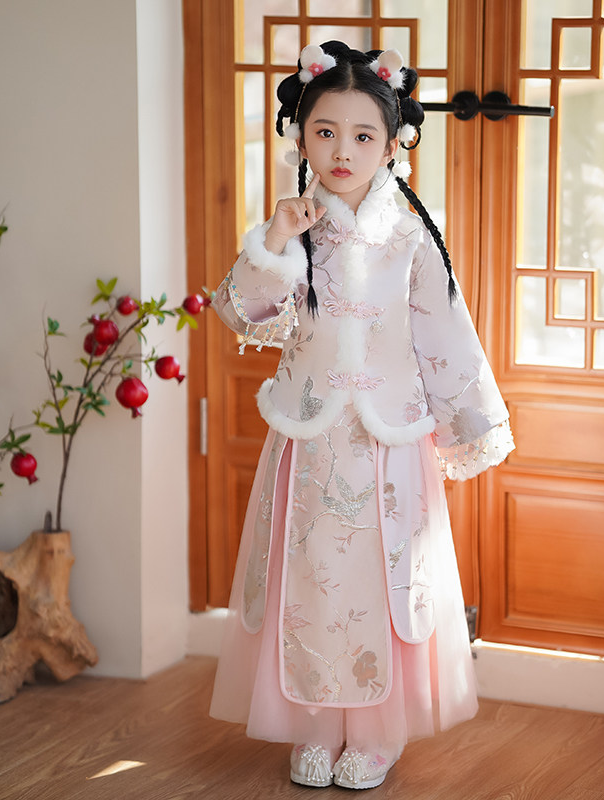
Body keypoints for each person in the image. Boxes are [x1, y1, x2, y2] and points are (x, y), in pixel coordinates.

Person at [208, 40, 514, 791]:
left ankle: (375, 734)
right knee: (309, 579)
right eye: (325, 131)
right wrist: (275, 239)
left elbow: (444, 332)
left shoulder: (410, 234)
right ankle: (315, 724)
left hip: (387, 441)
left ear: (393, 142)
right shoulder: (292, 228)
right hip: (308, 437)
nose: (342, 151)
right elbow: (242, 314)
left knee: (383, 581)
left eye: (362, 135)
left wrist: (470, 424)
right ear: (300, 136)